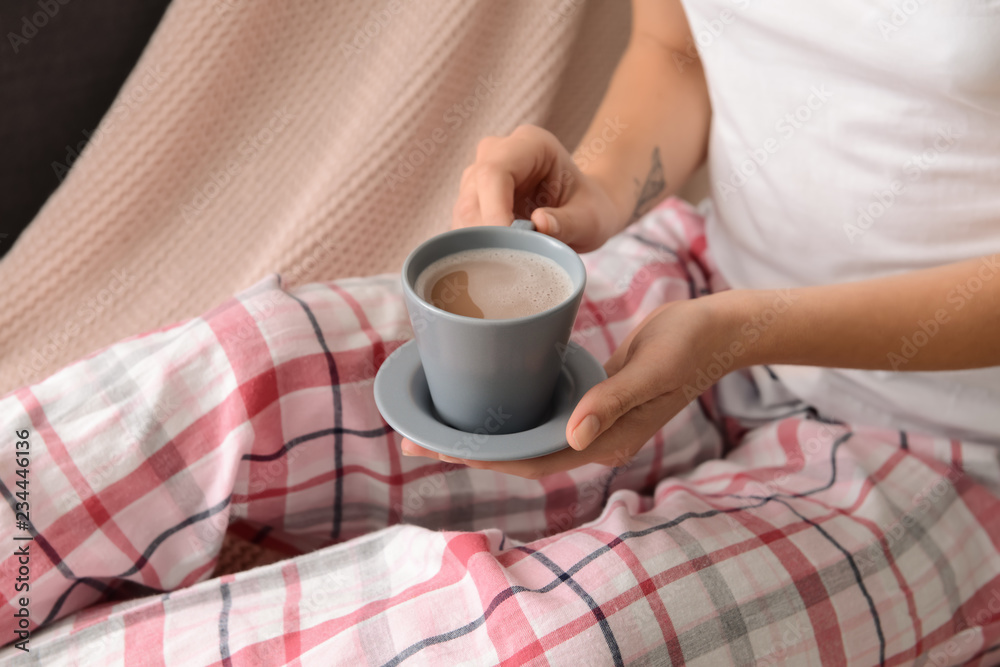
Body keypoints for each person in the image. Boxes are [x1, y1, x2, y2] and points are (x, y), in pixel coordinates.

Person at [2, 1, 999, 664]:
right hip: (698, 285)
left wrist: (743, 333)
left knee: (549, 638)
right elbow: (676, 51)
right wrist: (597, 191)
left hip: (951, 452)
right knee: (239, 371)